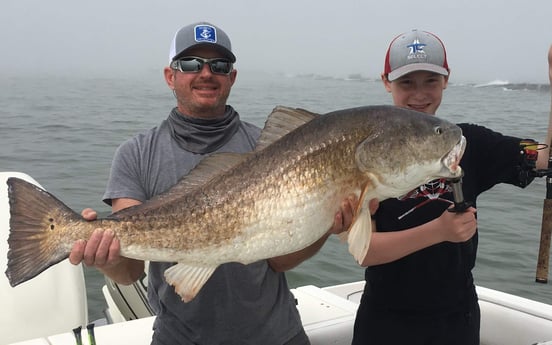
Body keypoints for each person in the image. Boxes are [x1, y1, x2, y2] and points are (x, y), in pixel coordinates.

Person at [68, 22, 356, 345]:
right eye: (191, 64)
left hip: (277, 335)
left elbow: (278, 260)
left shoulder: (271, 148)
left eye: (219, 66)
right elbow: (131, 270)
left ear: (231, 77)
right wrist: (107, 259)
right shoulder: (136, 154)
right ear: (170, 76)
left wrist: (324, 225)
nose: (206, 73)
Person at [352, 29, 552, 345]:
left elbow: (544, 157)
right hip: (385, 319)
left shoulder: (469, 142)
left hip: (456, 318)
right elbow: (364, 251)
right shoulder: (365, 152)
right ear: (386, 81)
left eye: (430, 81)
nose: (419, 94)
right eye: (407, 82)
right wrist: (438, 231)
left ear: (446, 80)